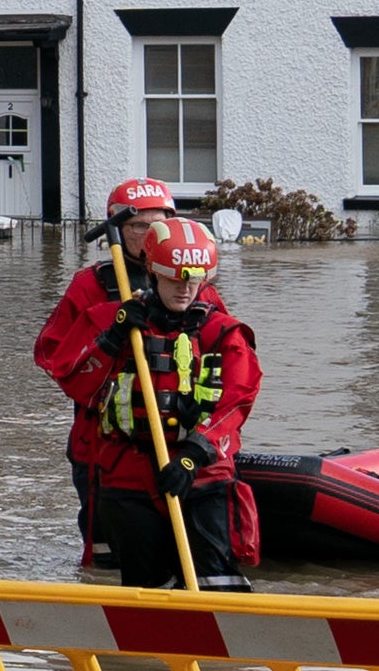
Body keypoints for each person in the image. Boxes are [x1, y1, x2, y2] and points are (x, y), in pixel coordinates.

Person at [67, 221, 263, 590]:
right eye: (175, 280)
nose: (185, 290)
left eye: (193, 281)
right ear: (153, 271)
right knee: (146, 590)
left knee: (218, 584)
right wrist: (111, 339)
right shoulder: (113, 323)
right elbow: (76, 383)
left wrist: (193, 454)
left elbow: (237, 402)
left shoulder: (223, 333)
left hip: (201, 474)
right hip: (128, 474)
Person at [35, 177, 196, 561]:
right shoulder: (90, 287)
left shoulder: (191, 284)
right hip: (103, 445)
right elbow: (53, 357)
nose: (149, 235)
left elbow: (221, 354)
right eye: (138, 226)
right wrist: (111, 332)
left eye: (158, 225)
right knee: (106, 554)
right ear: (118, 231)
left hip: (174, 441)